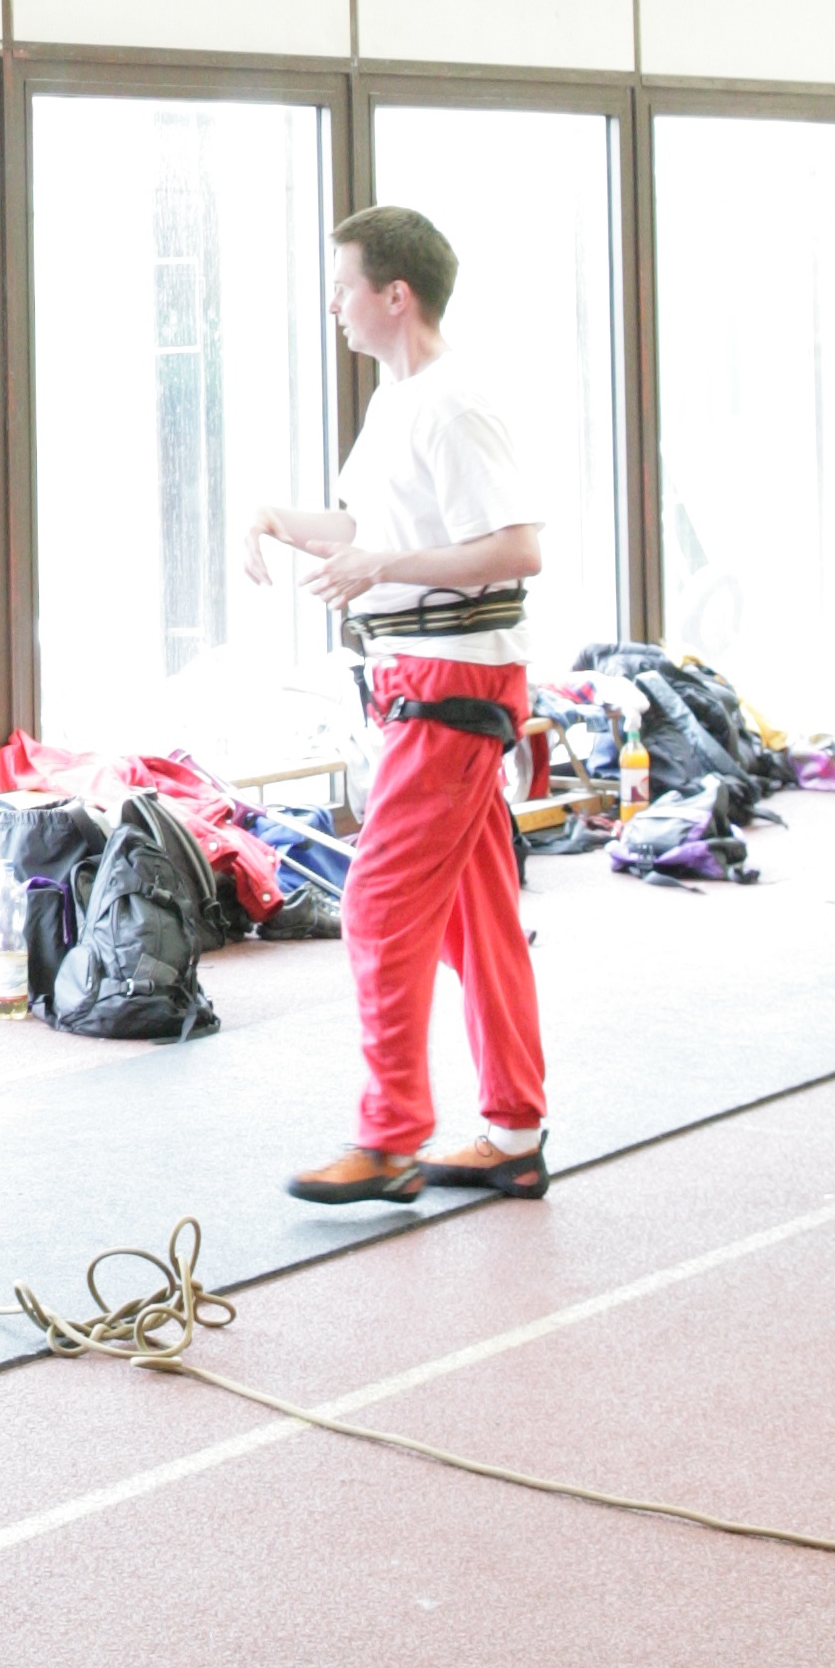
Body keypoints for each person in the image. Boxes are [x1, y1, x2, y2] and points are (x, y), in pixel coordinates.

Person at [243, 201, 550, 1207]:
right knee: (476, 915)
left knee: (376, 901)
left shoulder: (453, 404)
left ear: (395, 296)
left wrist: (381, 565)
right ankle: (512, 1130)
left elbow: (516, 548)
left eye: (344, 288)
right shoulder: (398, 403)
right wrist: (279, 519)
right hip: (420, 677)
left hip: (451, 682)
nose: (333, 306)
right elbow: (375, 532)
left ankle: (387, 1140)